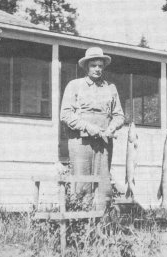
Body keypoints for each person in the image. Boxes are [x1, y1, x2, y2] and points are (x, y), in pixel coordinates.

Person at [60, 47, 125, 209]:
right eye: (93, 65)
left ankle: (101, 227)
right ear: (86, 67)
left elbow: (119, 115)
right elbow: (65, 114)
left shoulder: (111, 88)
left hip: (103, 143)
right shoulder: (75, 85)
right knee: (82, 185)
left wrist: (111, 128)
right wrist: (89, 127)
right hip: (80, 142)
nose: (97, 69)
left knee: (103, 184)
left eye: (100, 66)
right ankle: (81, 226)